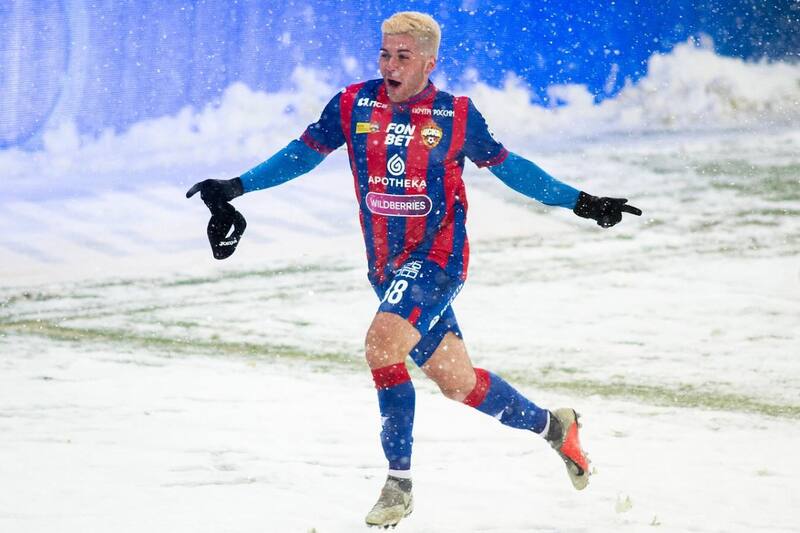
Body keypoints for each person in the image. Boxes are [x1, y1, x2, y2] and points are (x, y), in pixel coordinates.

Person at [187, 11, 641, 528]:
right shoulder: (353, 104)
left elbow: (511, 168)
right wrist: (234, 188)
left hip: (439, 262)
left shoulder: (455, 116)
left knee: (382, 344)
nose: (389, 66)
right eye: (384, 54)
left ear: (430, 62)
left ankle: (397, 484)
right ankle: (556, 430)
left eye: (403, 57)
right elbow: (302, 154)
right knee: (459, 383)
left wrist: (578, 201)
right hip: (386, 269)